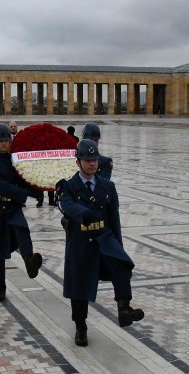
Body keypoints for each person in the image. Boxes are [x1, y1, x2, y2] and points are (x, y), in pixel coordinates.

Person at [56, 139, 144, 346]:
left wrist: (118, 246)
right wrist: (83, 214)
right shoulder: (69, 186)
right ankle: (80, 326)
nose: (92, 164)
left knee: (121, 265)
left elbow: (115, 219)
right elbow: (67, 205)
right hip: (81, 241)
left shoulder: (108, 186)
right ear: (78, 162)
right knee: (79, 287)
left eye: (94, 159)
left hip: (104, 238)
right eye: (87, 160)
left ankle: (124, 309)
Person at [0, 123, 43, 302]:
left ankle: (29, 262)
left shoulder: (15, 162)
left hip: (12, 207)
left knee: (22, 229)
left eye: (7, 140)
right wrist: (24, 193)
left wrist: (37, 189)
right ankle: (1, 286)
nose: (4, 144)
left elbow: (23, 180)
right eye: (0, 141)